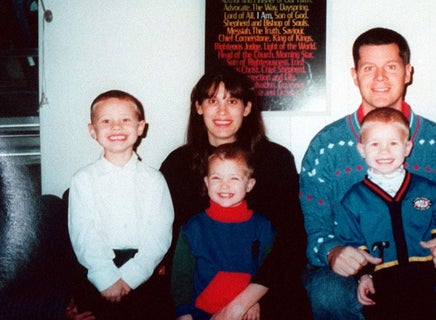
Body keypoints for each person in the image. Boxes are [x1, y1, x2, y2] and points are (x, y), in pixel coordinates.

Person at [300, 27, 436, 320]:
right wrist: (332, 253)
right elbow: (315, 230)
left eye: (390, 67)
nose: (380, 78)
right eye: (369, 68)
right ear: (354, 75)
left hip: (429, 271)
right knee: (327, 293)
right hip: (355, 275)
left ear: (407, 72)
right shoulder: (326, 147)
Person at [160, 66, 310, 319]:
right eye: (212, 101)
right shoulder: (177, 165)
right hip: (195, 291)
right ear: (199, 107)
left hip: (263, 288)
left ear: (247, 108)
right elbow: (173, 245)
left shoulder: (275, 160)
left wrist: (243, 302)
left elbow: (291, 241)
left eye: (232, 101)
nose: (222, 111)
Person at [336, 107, 436, 320]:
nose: (384, 152)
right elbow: (350, 238)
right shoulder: (353, 199)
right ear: (362, 149)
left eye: (393, 143)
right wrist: (364, 275)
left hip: (424, 275)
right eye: (375, 144)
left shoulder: (427, 189)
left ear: (407, 148)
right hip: (381, 280)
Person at [67, 90, 174, 319]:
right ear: (92, 131)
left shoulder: (155, 180)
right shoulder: (82, 180)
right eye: (106, 121)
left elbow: (160, 233)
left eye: (125, 120)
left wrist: (131, 277)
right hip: (97, 272)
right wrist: (106, 277)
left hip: (144, 272)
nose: (116, 127)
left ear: (140, 127)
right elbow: (83, 233)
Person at [171, 144, 275, 320]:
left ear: (249, 184)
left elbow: (271, 271)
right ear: (206, 182)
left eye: (234, 178)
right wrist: (184, 313)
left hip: (246, 313)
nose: (224, 186)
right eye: (216, 178)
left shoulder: (263, 227)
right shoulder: (193, 227)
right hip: (200, 313)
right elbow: (181, 276)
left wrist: (255, 302)